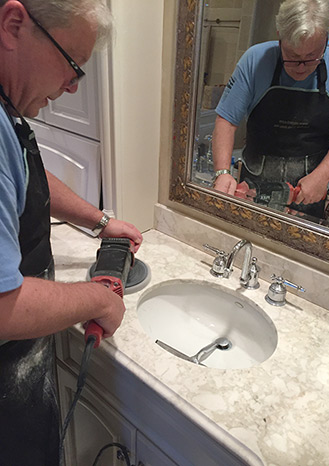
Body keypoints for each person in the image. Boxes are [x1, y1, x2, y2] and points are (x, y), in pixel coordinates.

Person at [0, 0, 142, 463]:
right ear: (14, 24)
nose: (71, 86)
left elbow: (27, 175)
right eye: (71, 64)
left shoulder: (9, 112)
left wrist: (101, 221)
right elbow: (3, 307)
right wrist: (98, 298)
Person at [210, 0, 329, 218]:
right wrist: (222, 172)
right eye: (293, 57)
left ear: (326, 39)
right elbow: (227, 120)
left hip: (308, 189)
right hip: (252, 185)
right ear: (279, 37)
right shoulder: (255, 60)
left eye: (311, 57)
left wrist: (322, 176)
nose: (301, 68)